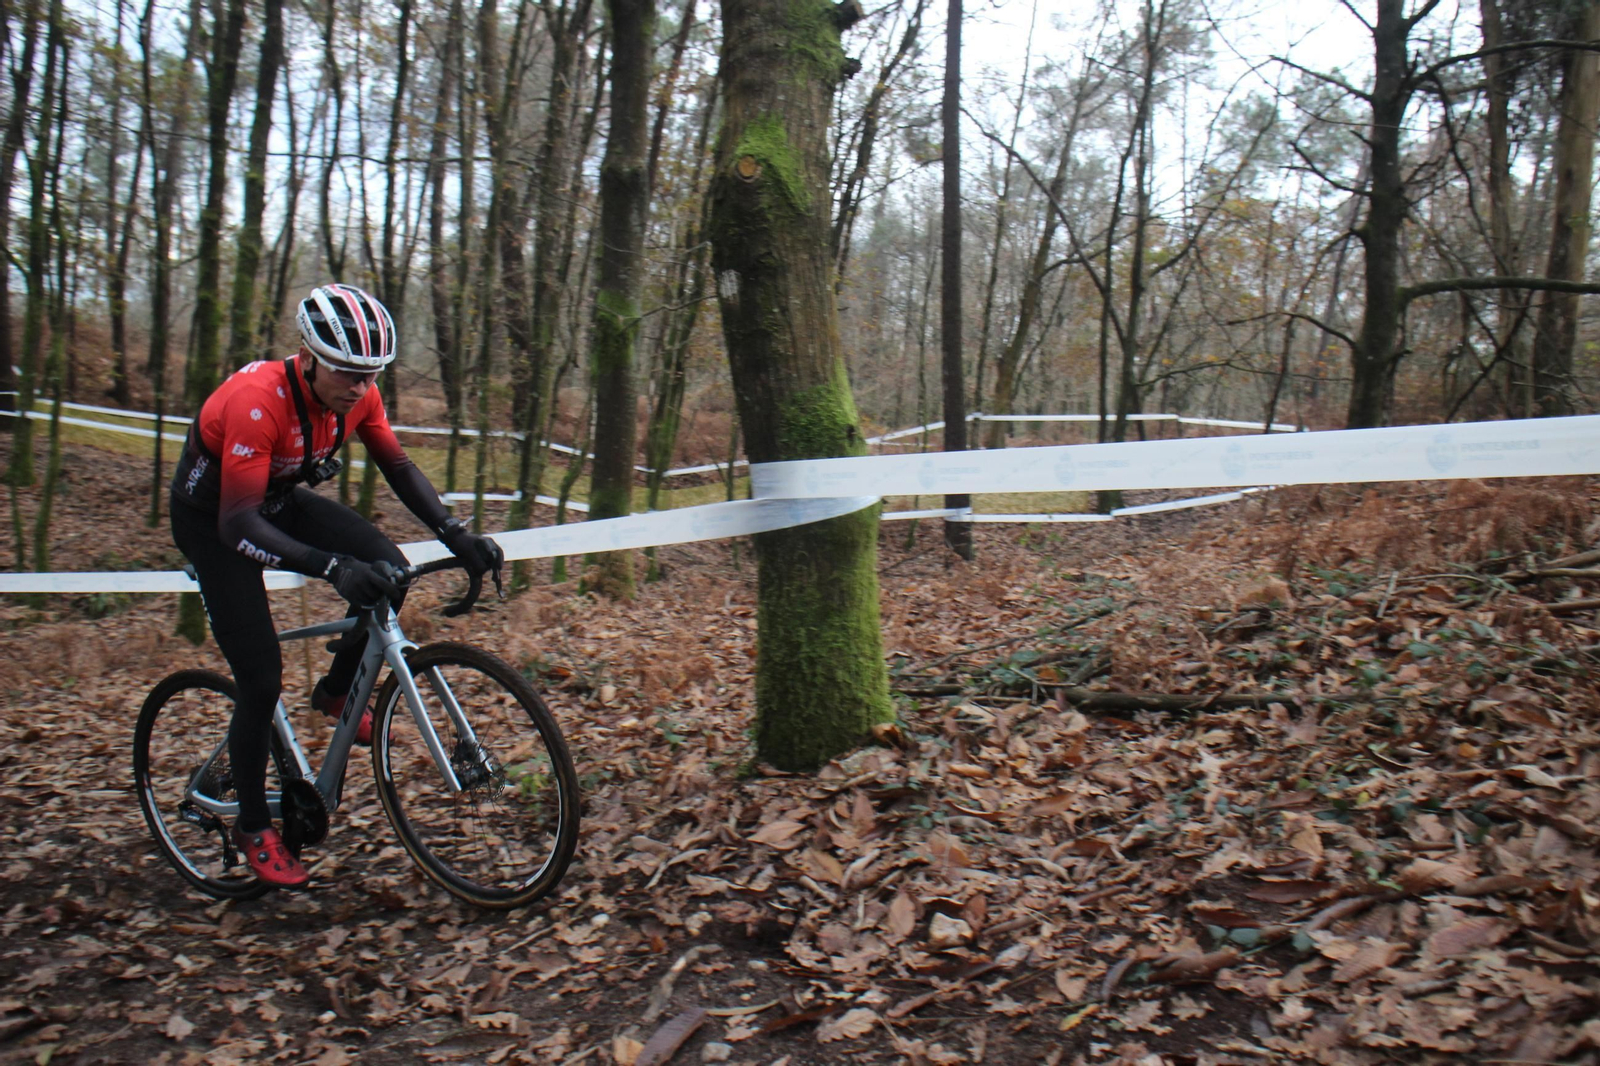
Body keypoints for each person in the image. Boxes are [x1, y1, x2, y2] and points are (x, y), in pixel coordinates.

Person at [169, 283, 503, 888]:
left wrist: (457, 534)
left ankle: (335, 692)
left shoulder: (358, 396)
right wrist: (330, 567)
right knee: (261, 676)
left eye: (371, 373)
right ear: (309, 356)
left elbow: (398, 466)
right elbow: (236, 522)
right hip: (217, 520)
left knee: (388, 568)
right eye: (348, 372)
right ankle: (250, 824)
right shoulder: (255, 400)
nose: (360, 385)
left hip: (273, 498)